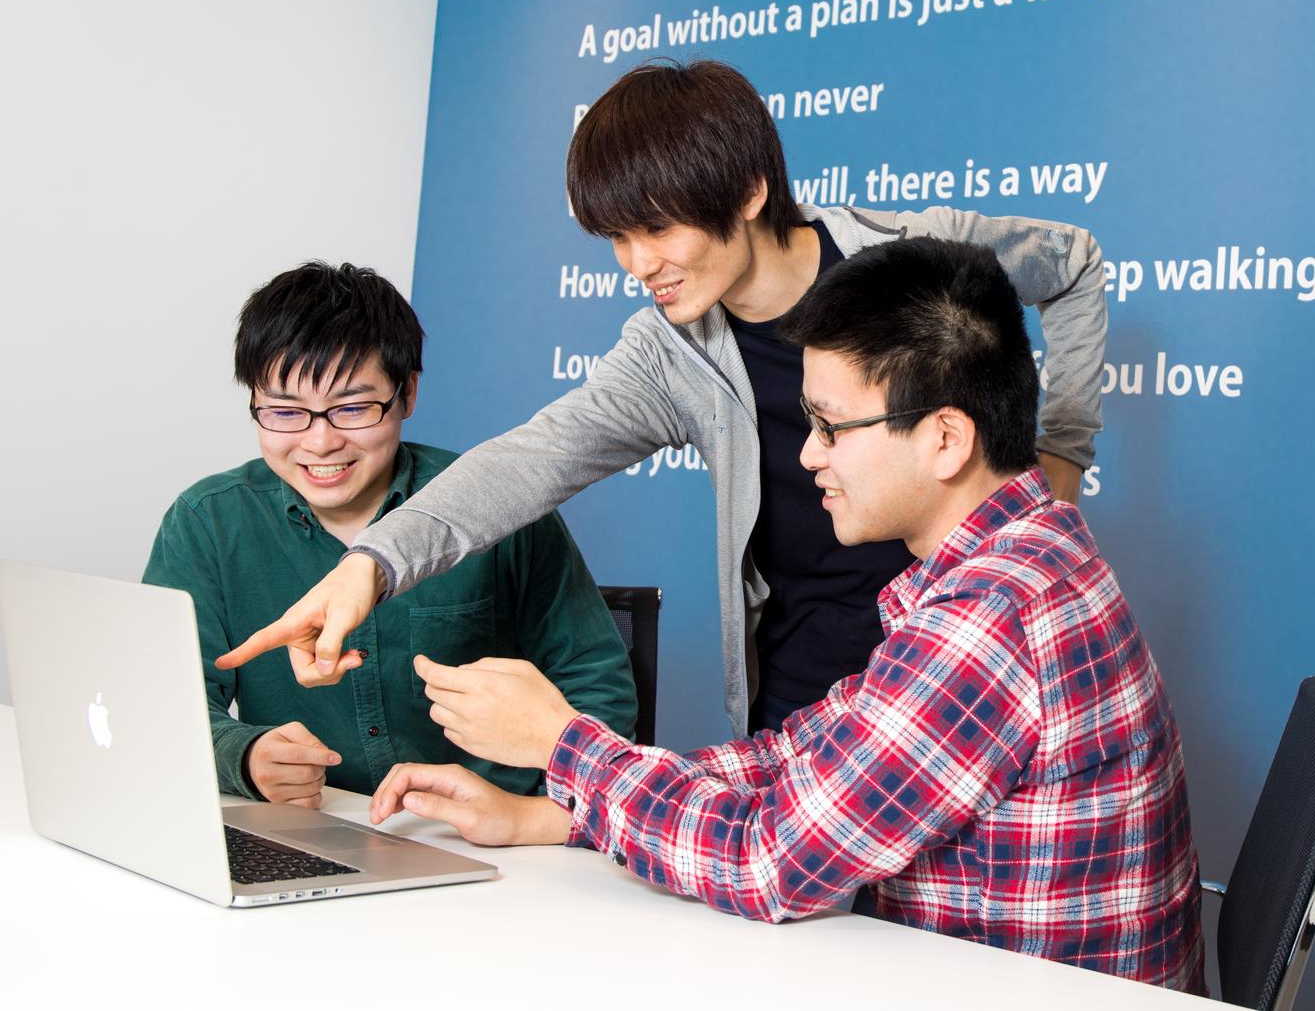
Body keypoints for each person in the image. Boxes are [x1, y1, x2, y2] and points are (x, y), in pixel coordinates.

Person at [364, 238, 1204, 991]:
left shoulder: (988, 619)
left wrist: (561, 744)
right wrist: (552, 811)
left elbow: (768, 860)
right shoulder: (1022, 556)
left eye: (831, 428)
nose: (807, 456)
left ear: (946, 439)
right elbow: (801, 758)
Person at [218, 59, 1108, 738]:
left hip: (957, 661)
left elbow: (1073, 267)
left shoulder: (911, 259)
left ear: (750, 191)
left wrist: (1061, 454)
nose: (638, 264)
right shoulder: (669, 353)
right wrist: (370, 564)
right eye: (617, 237)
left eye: (656, 227)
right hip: (802, 698)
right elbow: (529, 461)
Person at [145, 261, 635, 808]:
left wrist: (535, 813)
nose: (320, 442)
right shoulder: (207, 522)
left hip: (488, 835)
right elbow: (163, 704)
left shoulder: (497, 505)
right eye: (284, 412)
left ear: (407, 394)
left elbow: (597, 686)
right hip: (312, 825)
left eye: (353, 408)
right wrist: (244, 756)